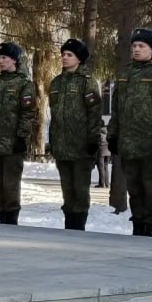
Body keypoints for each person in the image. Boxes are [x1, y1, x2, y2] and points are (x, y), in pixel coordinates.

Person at [108, 28, 152, 237]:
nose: (136, 50)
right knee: (135, 188)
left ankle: (151, 226)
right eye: (134, 46)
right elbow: (117, 108)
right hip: (129, 143)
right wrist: (113, 135)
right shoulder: (125, 73)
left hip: (151, 144)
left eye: (141, 46)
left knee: (151, 187)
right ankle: (138, 224)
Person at [0, 42, 37, 225]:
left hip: (12, 144)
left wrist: (22, 137)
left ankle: (11, 219)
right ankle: (1, 216)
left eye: (4, 58)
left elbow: (28, 113)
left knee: (10, 184)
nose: (1, 61)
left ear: (14, 60)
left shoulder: (24, 84)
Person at [48, 38, 103, 231]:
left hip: (81, 147)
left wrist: (93, 140)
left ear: (79, 59)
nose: (64, 57)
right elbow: (54, 115)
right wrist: (52, 141)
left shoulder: (87, 83)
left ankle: (78, 227)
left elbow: (94, 114)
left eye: (69, 55)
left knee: (80, 191)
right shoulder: (56, 83)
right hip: (62, 147)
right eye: (63, 54)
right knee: (67, 191)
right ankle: (69, 225)